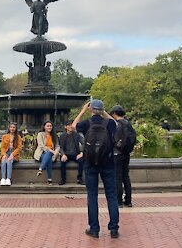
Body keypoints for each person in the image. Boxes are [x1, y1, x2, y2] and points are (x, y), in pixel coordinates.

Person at [72, 100, 119, 239]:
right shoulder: (109, 123)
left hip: (90, 163)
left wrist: (82, 111)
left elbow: (74, 126)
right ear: (102, 110)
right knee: (111, 196)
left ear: (91, 109)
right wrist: (103, 111)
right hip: (108, 163)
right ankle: (114, 228)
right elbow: (116, 123)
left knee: (92, 196)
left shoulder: (86, 123)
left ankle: (94, 229)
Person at [110, 105, 136, 208]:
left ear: (115, 114)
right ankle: (128, 200)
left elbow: (114, 139)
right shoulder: (128, 124)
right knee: (126, 177)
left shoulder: (117, 125)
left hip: (118, 153)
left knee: (118, 177)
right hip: (126, 153)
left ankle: (119, 201)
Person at [58, 121, 84, 185]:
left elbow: (84, 143)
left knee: (81, 161)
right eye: (68, 125)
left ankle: (79, 179)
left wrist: (82, 153)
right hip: (66, 154)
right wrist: (63, 154)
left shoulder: (76, 134)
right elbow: (60, 147)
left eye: (71, 125)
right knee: (63, 162)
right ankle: (63, 179)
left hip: (75, 154)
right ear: (65, 127)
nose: (70, 127)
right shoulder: (62, 136)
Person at [34, 121, 60, 185]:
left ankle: (41, 169)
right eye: (47, 126)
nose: (49, 127)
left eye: (50, 126)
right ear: (44, 127)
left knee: (49, 157)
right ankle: (49, 178)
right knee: (49, 156)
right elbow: (41, 145)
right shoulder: (40, 134)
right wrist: (51, 151)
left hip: (52, 154)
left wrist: (56, 151)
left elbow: (57, 146)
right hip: (41, 153)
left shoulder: (54, 135)